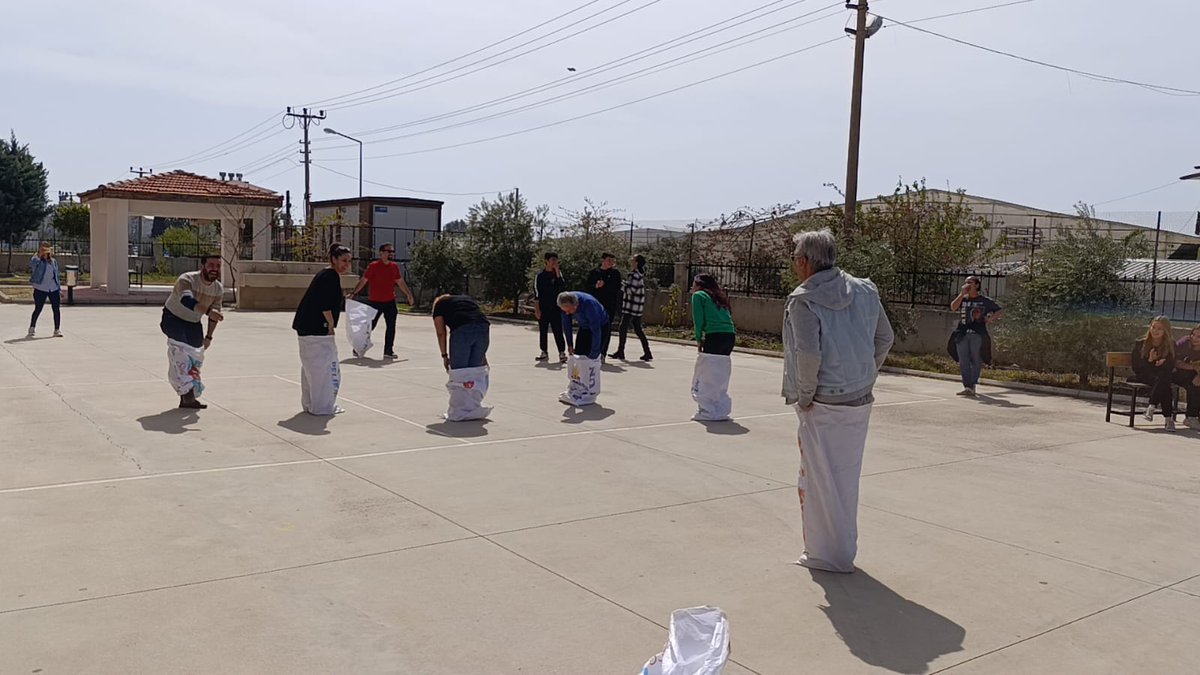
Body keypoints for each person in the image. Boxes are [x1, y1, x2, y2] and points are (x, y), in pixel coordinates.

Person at [782, 229, 894, 573]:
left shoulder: (803, 300)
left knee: (818, 481)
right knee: (846, 478)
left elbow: (808, 356)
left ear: (804, 262)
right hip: (859, 400)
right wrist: (864, 373)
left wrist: (805, 397)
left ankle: (825, 554)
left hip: (823, 402)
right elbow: (884, 337)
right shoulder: (865, 289)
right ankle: (844, 550)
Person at [293, 244, 351, 416]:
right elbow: (325, 305)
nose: (346, 265)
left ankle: (310, 403)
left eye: (349, 261)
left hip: (306, 327)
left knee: (310, 367)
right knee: (322, 368)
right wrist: (331, 327)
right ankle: (322, 406)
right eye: (343, 261)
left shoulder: (325, 275)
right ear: (333, 259)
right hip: (316, 328)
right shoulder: (331, 276)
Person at [160, 255, 224, 409]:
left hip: (194, 322)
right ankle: (186, 395)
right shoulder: (187, 279)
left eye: (218, 266)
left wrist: (209, 337)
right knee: (181, 354)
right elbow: (186, 300)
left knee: (196, 357)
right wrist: (208, 311)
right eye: (211, 265)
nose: (214, 269)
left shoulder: (217, 289)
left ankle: (188, 397)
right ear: (203, 266)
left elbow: (215, 315)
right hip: (173, 318)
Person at [348, 243, 414, 359]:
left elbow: (400, 282)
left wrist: (409, 294)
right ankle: (358, 347)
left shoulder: (394, 267)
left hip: (390, 301)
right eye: (388, 251)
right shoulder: (373, 266)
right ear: (381, 253)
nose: (391, 254)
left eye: (392, 252)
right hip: (375, 302)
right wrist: (354, 293)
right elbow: (364, 280)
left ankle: (388, 351)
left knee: (391, 326)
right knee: (369, 327)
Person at [949, 275, 1003, 397]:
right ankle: (967, 386)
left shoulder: (983, 300)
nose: (967, 284)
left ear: (977, 285)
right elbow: (953, 307)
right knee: (963, 360)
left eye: (970, 282)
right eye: (966, 282)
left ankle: (972, 384)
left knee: (975, 359)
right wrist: (961, 294)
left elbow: (999, 310)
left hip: (977, 333)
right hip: (962, 332)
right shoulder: (963, 298)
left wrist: (991, 319)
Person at [1133, 316, 1178, 432]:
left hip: (1161, 376)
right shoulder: (1140, 343)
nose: (1155, 331)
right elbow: (1136, 367)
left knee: (1164, 379)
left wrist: (1163, 362)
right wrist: (1150, 360)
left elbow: (1171, 366)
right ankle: (1168, 419)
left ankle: (1151, 407)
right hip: (1144, 375)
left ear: (1166, 331)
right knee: (1165, 384)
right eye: (1153, 327)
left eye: (1159, 328)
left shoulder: (1171, 344)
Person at [610, 254, 653, 361]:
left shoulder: (634, 275)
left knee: (623, 328)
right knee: (637, 329)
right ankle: (647, 352)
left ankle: (621, 351)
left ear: (636, 262)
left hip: (632, 306)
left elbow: (630, 291)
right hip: (635, 306)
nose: (630, 261)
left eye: (632, 260)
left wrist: (621, 285)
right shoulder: (636, 275)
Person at [432, 294, 491, 371]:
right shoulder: (466, 299)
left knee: (459, 371)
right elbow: (475, 319)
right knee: (475, 370)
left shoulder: (439, 304)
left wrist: (445, 356)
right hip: (483, 327)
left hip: (462, 330)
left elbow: (441, 333)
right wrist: (482, 355)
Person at [586, 253, 622, 361]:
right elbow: (588, 286)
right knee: (593, 327)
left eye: (612, 260)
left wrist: (605, 285)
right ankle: (591, 351)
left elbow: (617, 287)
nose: (610, 262)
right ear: (603, 260)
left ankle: (602, 353)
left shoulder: (615, 273)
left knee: (606, 329)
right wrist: (596, 286)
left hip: (609, 305)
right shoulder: (594, 273)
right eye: (609, 260)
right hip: (595, 304)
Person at [534, 251, 567, 363]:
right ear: (546, 261)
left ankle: (562, 352)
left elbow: (562, 289)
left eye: (556, 260)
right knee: (543, 330)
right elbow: (537, 294)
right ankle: (544, 351)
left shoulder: (558, 274)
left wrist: (557, 272)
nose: (554, 262)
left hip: (556, 308)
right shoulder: (540, 276)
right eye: (552, 260)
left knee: (558, 330)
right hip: (543, 308)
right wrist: (537, 309)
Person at [691, 273, 736, 355]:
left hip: (714, 336)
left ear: (699, 285)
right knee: (721, 365)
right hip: (730, 335)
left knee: (708, 366)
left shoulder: (698, 295)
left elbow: (698, 321)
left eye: (693, 284)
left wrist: (699, 339)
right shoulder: (719, 296)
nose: (692, 287)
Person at [558, 291, 608, 361]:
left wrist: (593, 356)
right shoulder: (565, 304)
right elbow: (567, 325)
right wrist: (570, 344)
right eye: (565, 311)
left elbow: (596, 331)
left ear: (576, 305)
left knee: (591, 356)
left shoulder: (588, 304)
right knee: (579, 355)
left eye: (569, 311)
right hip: (584, 326)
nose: (567, 313)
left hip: (601, 325)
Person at [28, 242, 63, 338]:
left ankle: (57, 329)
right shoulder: (37, 261)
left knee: (56, 309)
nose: (45, 253)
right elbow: (32, 264)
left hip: (53, 288)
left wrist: (59, 289)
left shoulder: (53, 262)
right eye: (44, 251)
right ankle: (32, 327)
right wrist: (39, 254)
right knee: (38, 309)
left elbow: (56, 276)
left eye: (47, 251)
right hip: (40, 288)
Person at [1172, 324, 1200, 431]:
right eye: (1193, 335)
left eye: (1199, 337)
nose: (1195, 338)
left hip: (1194, 374)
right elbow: (1175, 362)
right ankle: (1191, 417)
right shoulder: (1184, 343)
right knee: (1193, 384)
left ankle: (1194, 416)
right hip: (1175, 373)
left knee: (1196, 382)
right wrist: (1193, 367)